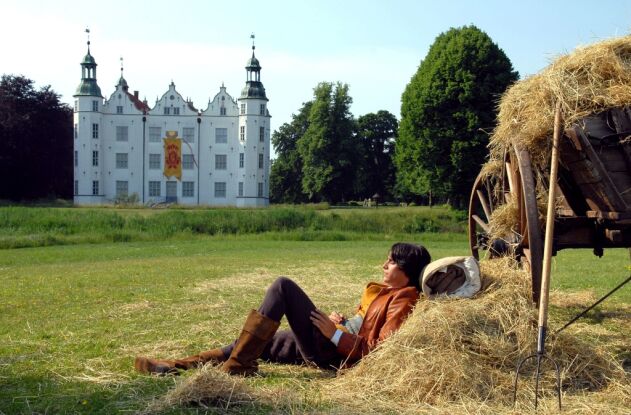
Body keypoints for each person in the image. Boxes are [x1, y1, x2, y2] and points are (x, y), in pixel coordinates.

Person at [134, 242, 431, 376]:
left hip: (332, 353)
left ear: (406, 269)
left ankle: (238, 368)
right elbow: (365, 323)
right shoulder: (387, 292)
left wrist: (337, 336)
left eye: (391, 261)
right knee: (257, 343)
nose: (384, 265)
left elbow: (379, 349)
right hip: (331, 340)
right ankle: (176, 365)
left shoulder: (404, 298)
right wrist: (342, 321)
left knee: (282, 286)